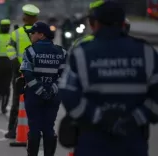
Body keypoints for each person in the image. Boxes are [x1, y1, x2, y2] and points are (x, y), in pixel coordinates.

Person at [58, 1, 158, 156]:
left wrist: (99, 117)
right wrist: (134, 119)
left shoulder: (82, 53)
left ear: (95, 23)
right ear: (123, 23)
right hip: (133, 143)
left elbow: (68, 93)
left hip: (92, 143)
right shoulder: (147, 53)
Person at [20, 22, 66, 156]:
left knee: (34, 128)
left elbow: (27, 74)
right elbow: (65, 75)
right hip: (53, 96)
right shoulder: (61, 52)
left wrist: (40, 90)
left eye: (33, 33)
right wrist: (52, 89)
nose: (30, 35)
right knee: (49, 128)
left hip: (34, 95)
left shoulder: (30, 51)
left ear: (41, 35)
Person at [4, 4, 40, 139]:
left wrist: (15, 63)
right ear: (36, 19)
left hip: (19, 73)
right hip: (37, 74)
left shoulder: (16, 33)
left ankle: (12, 131)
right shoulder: (41, 34)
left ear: (24, 18)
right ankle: (35, 132)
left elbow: (9, 49)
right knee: (36, 103)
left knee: (16, 103)